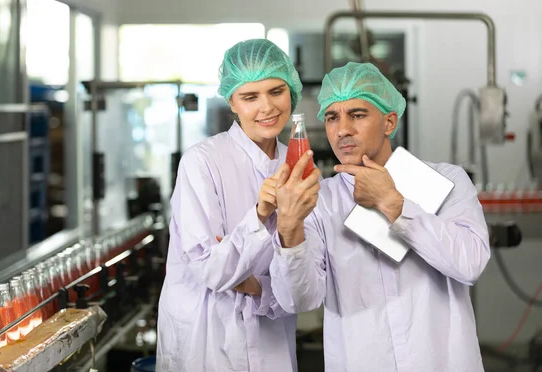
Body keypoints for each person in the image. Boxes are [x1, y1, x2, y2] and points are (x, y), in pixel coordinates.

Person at [270, 62, 491, 372]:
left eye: (358, 115)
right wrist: (289, 230)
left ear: (389, 122)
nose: (342, 129)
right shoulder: (319, 201)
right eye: (332, 117)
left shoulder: (445, 180)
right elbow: (299, 301)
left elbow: (470, 263)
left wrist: (393, 204)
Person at [157, 39, 307, 372]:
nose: (266, 107)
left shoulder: (299, 164)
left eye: (276, 91)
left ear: (291, 92)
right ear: (232, 102)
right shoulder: (202, 162)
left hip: (272, 344)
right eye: (250, 97)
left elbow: (305, 278)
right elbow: (211, 270)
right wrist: (260, 215)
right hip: (206, 342)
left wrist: (255, 284)